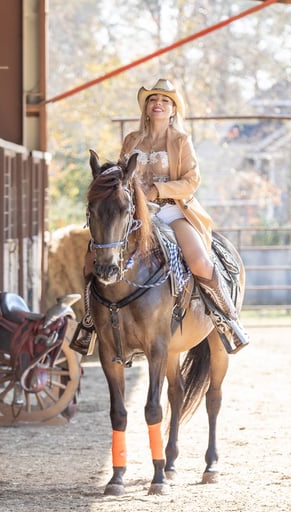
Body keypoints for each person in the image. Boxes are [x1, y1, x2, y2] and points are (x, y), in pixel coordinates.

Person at [70, 78, 249, 355]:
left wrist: (157, 190)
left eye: (165, 101)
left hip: (172, 209)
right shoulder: (132, 140)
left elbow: (192, 180)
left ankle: (226, 319)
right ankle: (91, 322)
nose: (158, 104)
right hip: (135, 214)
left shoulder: (181, 141)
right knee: (90, 260)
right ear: (146, 107)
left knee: (200, 262)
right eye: (153, 100)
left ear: (173, 109)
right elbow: (122, 178)